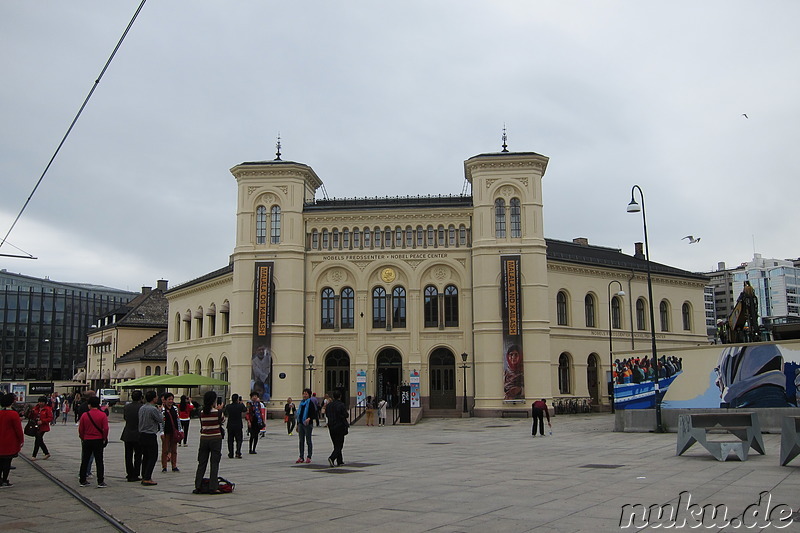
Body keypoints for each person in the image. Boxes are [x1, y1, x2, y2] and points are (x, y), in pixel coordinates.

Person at [194, 390, 225, 494]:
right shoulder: (218, 412)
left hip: (204, 438)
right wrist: (219, 409)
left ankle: (198, 485)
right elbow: (222, 420)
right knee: (214, 463)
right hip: (215, 438)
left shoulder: (201, 412)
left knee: (202, 463)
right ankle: (213, 486)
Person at [78, 396, 109, 488]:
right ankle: (100, 481)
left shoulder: (85, 415)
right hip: (98, 440)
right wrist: (104, 438)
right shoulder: (102, 415)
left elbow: (81, 429)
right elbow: (106, 428)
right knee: (99, 461)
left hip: (87, 439)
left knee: (85, 460)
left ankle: (83, 479)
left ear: (89, 405)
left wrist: (83, 437)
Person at [138, 390, 162, 486]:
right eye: (156, 397)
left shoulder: (142, 408)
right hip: (150, 434)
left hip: (142, 434)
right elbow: (160, 419)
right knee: (152, 456)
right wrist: (159, 411)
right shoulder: (153, 409)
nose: (157, 398)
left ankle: (144, 475)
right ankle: (147, 477)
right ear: (153, 398)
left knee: (146, 457)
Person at [0, 392, 24, 487]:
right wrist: (21, 440)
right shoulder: (13, 414)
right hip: (10, 442)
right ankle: (5, 480)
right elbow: (18, 430)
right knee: (7, 462)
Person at [121, 390, 144, 482]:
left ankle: (129, 473)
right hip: (138, 434)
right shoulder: (142, 407)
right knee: (138, 455)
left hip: (127, 433)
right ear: (141, 398)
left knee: (128, 455)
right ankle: (135, 473)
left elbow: (125, 418)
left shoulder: (127, 407)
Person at [326, 389, 349, 467]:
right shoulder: (341, 405)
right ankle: (332, 458)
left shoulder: (329, 405)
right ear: (340, 396)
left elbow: (327, 415)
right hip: (339, 427)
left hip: (331, 426)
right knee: (339, 445)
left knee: (336, 444)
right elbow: (346, 415)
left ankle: (340, 461)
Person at [160, 392, 182, 473]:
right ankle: (164, 466)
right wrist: (161, 432)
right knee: (165, 450)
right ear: (165, 400)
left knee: (174, 449)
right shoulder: (162, 410)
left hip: (174, 431)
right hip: (166, 432)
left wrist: (180, 429)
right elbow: (161, 422)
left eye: (172, 399)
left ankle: (174, 465)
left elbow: (178, 419)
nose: (171, 401)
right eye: (169, 399)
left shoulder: (175, 409)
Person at [295, 388, 316, 463]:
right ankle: (301, 456)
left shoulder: (310, 403)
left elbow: (314, 414)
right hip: (301, 424)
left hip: (308, 425)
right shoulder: (301, 403)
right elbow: (299, 414)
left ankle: (309, 456)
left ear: (309, 395)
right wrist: (297, 424)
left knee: (308, 440)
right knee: (301, 441)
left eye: (306, 394)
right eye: (303, 393)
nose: (304, 395)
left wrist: (309, 418)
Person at [29, 396, 53, 460]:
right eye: (39, 402)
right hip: (36, 426)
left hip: (43, 427)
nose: (40, 403)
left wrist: (42, 421)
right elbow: (32, 416)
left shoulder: (47, 409)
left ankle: (34, 455)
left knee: (37, 440)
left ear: (45, 403)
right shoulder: (36, 408)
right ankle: (46, 453)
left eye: (42, 402)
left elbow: (50, 418)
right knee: (40, 440)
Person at [224, 394, 246, 458]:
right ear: (237, 399)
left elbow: (225, 412)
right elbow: (244, 410)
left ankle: (231, 453)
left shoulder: (228, 406)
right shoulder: (240, 406)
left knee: (230, 440)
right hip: (238, 425)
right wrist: (241, 403)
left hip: (230, 425)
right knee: (239, 440)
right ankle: (238, 452)